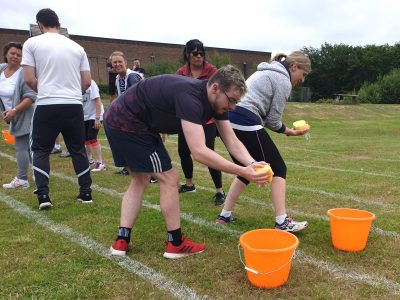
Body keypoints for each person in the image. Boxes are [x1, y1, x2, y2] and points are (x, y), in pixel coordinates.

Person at [104, 65, 271, 258]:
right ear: (215, 88)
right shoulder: (190, 97)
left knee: (140, 179)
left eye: (236, 102)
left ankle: (121, 240)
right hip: (128, 122)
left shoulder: (217, 101)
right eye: (232, 100)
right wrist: (242, 171)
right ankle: (175, 243)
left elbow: (231, 140)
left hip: (123, 119)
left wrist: (251, 164)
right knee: (169, 178)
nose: (233, 107)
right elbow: (199, 151)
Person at [216, 51, 311, 232]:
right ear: (294, 67)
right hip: (245, 120)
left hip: (229, 119)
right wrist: (290, 132)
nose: (303, 80)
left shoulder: (266, 71)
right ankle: (282, 221)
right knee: (278, 168)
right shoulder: (282, 79)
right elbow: (273, 120)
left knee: (246, 172)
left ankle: (225, 215)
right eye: (303, 74)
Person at [22, 8, 93, 210]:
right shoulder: (77, 47)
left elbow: (28, 78)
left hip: (47, 103)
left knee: (40, 149)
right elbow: (87, 82)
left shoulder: (32, 43)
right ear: (59, 25)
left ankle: (44, 194)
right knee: (78, 149)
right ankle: (86, 192)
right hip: (73, 105)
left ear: (39, 25)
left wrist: (45, 90)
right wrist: (70, 92)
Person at [176, 39, 226, 206]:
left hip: (207, 120)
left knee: (208, 153)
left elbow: (220, 94)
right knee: (183, 151)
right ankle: (189, 184)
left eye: (201, 53)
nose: (198, 56)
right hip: (187, 119)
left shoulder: (212, 71)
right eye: (195, 53)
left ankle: (220, 191)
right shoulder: (181, 73)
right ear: (187, 54)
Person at [1, 42, 36, 189]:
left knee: (21, 146)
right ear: (6, 54)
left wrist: (15, 110)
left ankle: (22, 179)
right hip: (11, 115)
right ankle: (38, 171)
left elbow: (31, 96)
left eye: (19, 55)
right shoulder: (1, 69)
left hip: (25, 113)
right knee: (29, 147)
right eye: (12, 53)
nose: (15, 56)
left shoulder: (23, 73)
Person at [110, 51, 143, 175]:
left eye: (120, 61)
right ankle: (129, 167)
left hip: (140, 116)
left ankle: (152, 174)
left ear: (125, 63)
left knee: (141, 144)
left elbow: (138, 98)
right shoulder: (118, 78)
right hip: (129, 116)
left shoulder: (132, 76)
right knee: (127, 142)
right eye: (115, 62)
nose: (117, 64)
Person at [82, 80, 105, 172]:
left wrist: (97, 118)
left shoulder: (91, 83)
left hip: (94, 114)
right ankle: (90, 162)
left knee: (92, 137)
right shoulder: (75, 83)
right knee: (85, 139)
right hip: (84, 116)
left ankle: (100, 163)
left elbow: (98, 100)